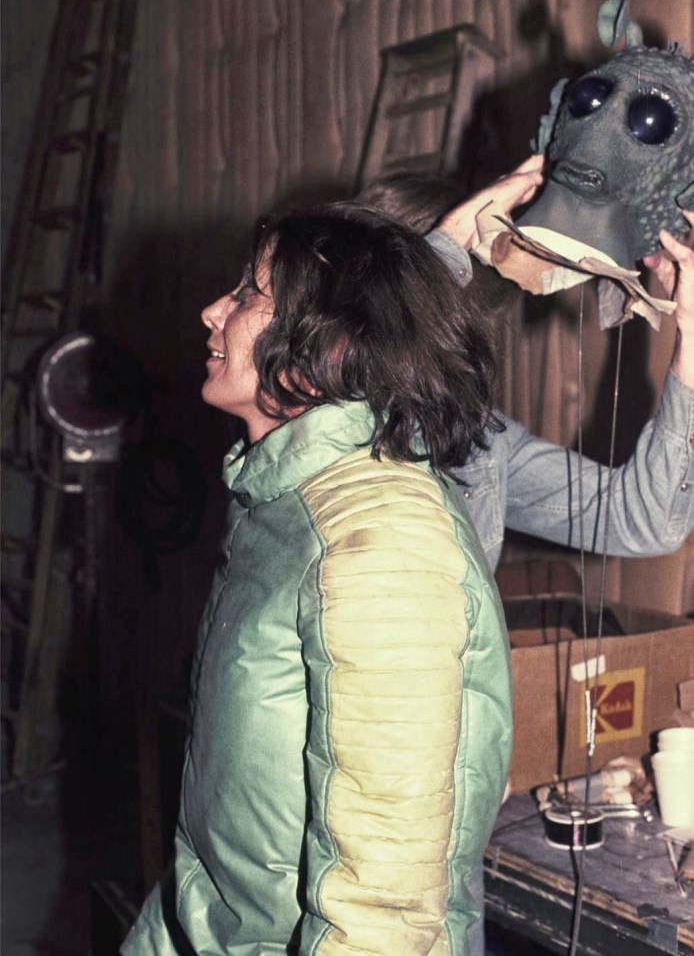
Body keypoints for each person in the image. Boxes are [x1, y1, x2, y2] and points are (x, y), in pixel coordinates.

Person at [121, 202, 515, 955]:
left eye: (248, 293)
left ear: (329, 345)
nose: (213, 310)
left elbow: (383, 907)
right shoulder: (285, 499)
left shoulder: (382, 543)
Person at [358, 162, 694, 956]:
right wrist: (442, 255)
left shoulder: (479, 441)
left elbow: (644, 517)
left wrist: (691, 349)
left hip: (448, 814)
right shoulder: (323, 417)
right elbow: (372, 406)